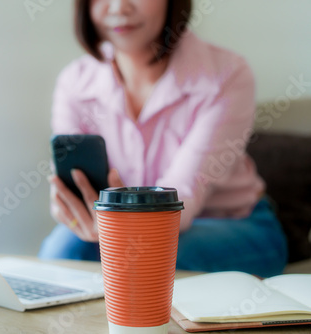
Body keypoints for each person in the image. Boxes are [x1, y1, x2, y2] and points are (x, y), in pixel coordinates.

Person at [38, 0, 288, 278]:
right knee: (60, 252)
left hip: (232, 223)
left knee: (147, 257)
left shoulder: (227, 74)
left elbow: (184, 193)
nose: (119, 7)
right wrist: (70, 210)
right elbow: (72, 187)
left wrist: (118, 228)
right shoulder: (74, 81)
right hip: (122, 226)